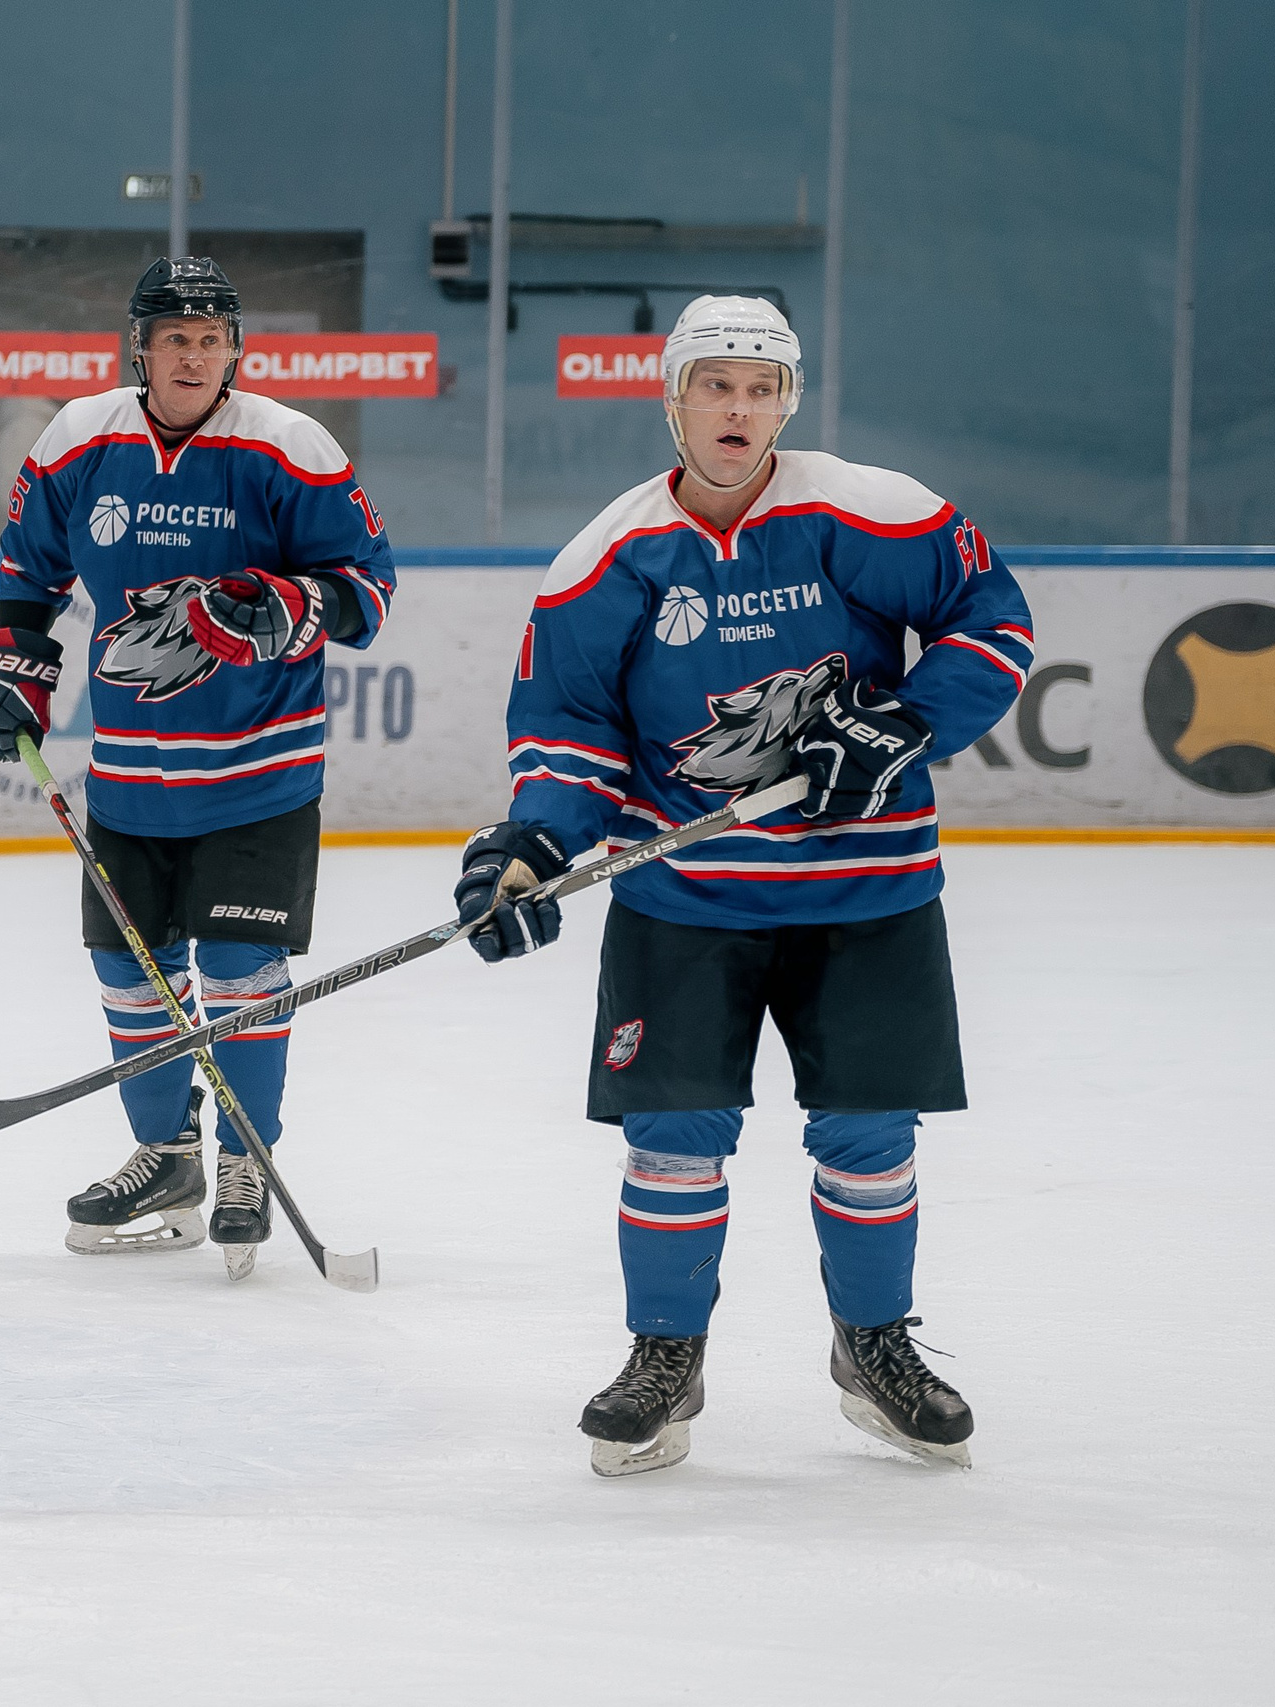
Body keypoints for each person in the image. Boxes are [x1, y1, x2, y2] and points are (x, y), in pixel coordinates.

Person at [453, 296, 1033, 1474]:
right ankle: (664, 1356)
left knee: (870, 1134)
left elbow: (994, 623)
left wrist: (902, 724)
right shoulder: (606, 559)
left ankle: (871, 1344)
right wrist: (529, 847)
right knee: (673, 1136)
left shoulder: (866, 511)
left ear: (789, 402)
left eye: (761, 389)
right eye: (715, 385)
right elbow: (568, 730)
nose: (739, 408)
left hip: (867, 892)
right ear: (673, 400)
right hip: (688, 901)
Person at [0, 256, 397, 1265]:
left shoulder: (288, 445)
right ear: (142, 349)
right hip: (127, 774)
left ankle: (245, 1151)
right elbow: (29, 571)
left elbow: (366, 593)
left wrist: (282, 606)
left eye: (211, 338)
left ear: (234, 349)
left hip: (260, 770)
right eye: (176, 338)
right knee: (132, 972)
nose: (194, 354)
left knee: (241, 970)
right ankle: (167, 1154)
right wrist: (14, 664)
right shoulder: (81, 438)